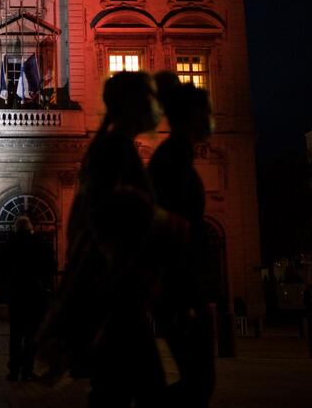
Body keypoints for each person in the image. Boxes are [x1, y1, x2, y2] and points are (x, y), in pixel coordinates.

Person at [38, 71, 166, 407]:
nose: (155, 107)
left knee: (117, 389)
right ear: (130, 106)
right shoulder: (113, 150)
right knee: (137, 388)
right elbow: (97, 221)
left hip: (118, 292)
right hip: (116, 292)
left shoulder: (113, 147)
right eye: (147, 99)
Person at [148, 75, 215, 407]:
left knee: (198, 382)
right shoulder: (172, 158)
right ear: (190, 117)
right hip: (178, 286)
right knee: (199, 383)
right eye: (205, 113)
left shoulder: (176, 155)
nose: (210, 121)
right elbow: (163, 227)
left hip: (180, 285)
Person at [0, 215, 55, 382]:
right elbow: (50, 266)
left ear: (16, 228)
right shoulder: (39, 242)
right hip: (35, 294)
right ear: (31, 228)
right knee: (31, 334)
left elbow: (0, 267)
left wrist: (9, 282)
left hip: (16, 293)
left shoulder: (9, 244)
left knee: (15, 334)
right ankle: (28, 369)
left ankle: (14, 370)